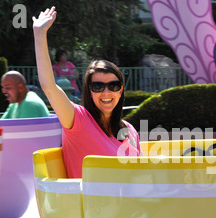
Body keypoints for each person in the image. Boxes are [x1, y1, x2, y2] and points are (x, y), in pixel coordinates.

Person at [33, 7, 141, 178]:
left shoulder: (130, 131)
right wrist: (39, 34)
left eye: (113, 85)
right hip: (93, 204)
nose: (106, 92)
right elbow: (49, 87)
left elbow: (140, 177)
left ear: (121, 90)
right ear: (89, 91)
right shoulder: (78, 120)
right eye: (98, 86)